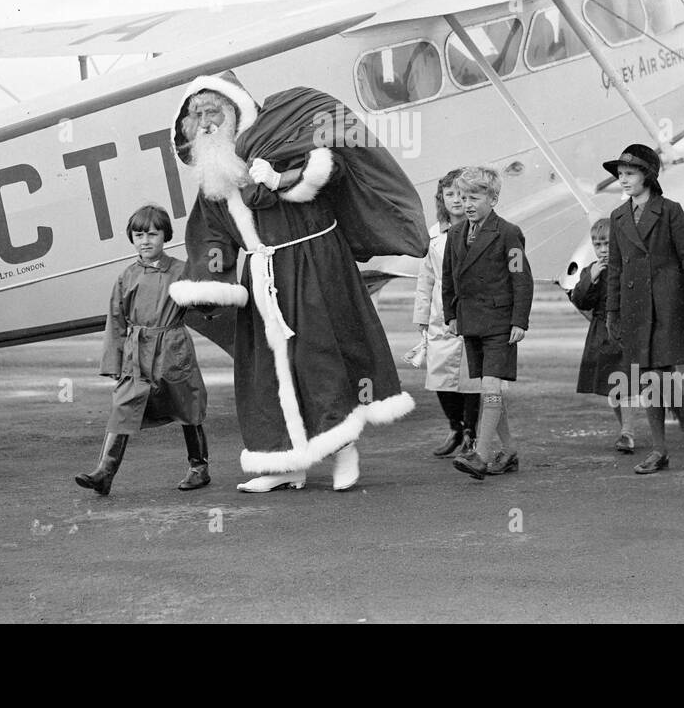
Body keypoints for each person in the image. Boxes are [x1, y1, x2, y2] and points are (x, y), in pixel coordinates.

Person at [168, 74, 427, 492]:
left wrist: (280, 179)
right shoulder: (213, 171)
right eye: (196, 116)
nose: (205, 122)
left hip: (313, 265)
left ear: (234, 109)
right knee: (267, 373)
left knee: (321, 360)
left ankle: (344, 450)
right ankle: (285, 463)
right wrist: (207, 282)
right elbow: (210, 232)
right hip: (261, 277)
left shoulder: (282, 136)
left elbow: (332, 167)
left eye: (212, 111)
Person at [75, 204, 210, 496]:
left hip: (173, 349)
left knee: (188, 406)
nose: (145, 241)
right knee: (123, 405)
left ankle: (199, 467)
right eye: (138, 235)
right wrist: (114, 362)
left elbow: (203, 303)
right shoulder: (127, 276)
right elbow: (116, 320)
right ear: (132, 239)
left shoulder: (181, 270)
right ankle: (104, 472)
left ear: (165, 236)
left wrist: (209, 298)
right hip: (138, 354)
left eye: (152, 234)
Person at [603, 143, 684, 474]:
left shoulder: (670, 210)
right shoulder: (618, 216)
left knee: (658, 376)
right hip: (635, 308)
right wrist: (612, 312)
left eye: (630, 174)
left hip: (668, 304)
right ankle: (665, 447)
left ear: (648, 176)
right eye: (620, 175)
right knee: (647, 378)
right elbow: (615, 270)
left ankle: (681, 436)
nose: (623, 180)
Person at [442, 165, 534, 480]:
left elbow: (521, 277)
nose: (466, 203)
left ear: (492, 199)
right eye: (462, 197)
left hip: (499, 321)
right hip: (470, 321)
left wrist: (519, 320)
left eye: (475, 197)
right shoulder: (454, 234)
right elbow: (448, 279)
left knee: (491, 386)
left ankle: (480, 455)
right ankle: (508, 451)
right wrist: (451, 314)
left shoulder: (508, 232)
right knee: (488, 388)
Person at [413, 169, 482, 457]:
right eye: (449, 194)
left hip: (473, 313)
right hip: (441, 315)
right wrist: (421, 315)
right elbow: (426, 276)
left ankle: (471, 433)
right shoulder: (434, 233)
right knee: (440, 375)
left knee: (471, 379)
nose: (456, 199)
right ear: (441, 198)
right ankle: (455, 427)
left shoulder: (479, 228)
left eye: (461, 193)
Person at [569, 217, 640, 453]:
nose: (602, 249)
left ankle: (627, 433)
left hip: (627, 332)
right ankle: (625, 431)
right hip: (602, 335)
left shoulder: (630, 266)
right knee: (612, 386)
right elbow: (580, 300)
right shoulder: (592, 270)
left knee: (626, 384)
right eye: (597, 244)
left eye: (607, 244)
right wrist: (591, 278)